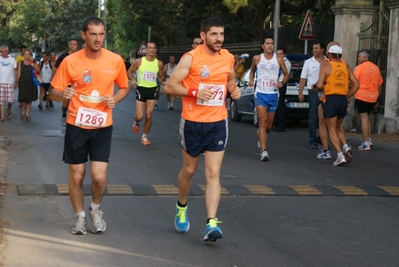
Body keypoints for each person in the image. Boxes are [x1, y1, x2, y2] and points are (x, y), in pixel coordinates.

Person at [49, 17, 129, 235]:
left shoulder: (115, 60)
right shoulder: (70, 61)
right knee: (76, 176)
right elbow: (53, 92)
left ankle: (95, 208)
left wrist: (116, 99)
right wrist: (62, 94)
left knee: (99, 176)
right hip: (76, 125)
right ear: (84, 35)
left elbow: (124, 87)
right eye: (93, 34)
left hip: (103, 126)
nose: (97, 39)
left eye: (101, 34)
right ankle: (80, 217)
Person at [165, 17, 240, 242]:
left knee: (213, 173)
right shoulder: (191, 58)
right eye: (214, 34)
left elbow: (230, 78)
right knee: (189, 171)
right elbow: (169, 86)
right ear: (203, 35)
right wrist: (195, 93)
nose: (219, 39)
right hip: (192, 122)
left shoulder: (227, 57)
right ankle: (181, 206)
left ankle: (211, 223)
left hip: (218, 121)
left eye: (222, 34)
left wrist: (233, 89)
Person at [314, 45, 359, 166]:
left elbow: (319, 85)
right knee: (339, 126)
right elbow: (356, 85)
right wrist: (347, 96)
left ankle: (339, 155)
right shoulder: (345, 66)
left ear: (329, 54)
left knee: (331, 128)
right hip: (342, 100)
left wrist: (320, 86)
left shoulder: (325, 65)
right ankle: (345, 146)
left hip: (331, 98)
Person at [248, 37, 289, 161]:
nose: (270, 46)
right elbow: (252, 71)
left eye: (272, 44)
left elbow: (287, 75)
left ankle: (261, 135)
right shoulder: (257, 58)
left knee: (269, 125)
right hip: (260, 93)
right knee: (263, 121)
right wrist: (251, 80)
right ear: (263, 46)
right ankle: (264, 151)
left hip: (273, 94)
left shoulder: (279, 59)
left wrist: (282, 82)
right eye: (267, 43)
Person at [127, 42, 164, 146]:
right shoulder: (139, 61)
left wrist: (160, 82)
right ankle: (136, 121)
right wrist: (133, 80)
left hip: (152, 89)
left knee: (149, 115)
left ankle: (144, 136)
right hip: (141, 89)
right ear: (146, 50)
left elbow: (160, 75)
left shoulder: (159, 63)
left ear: (156, 50)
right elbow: (129, 71)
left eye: (154, 48)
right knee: (140, 116)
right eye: (150, 48)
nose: (152, 50)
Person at [298, 41, 327, 149]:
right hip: (313, 92)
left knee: (325, 117)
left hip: (326, 92)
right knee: (313, 116)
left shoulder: (328, 62)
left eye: (316, 48)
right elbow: (303, 78)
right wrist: (300, 92)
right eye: (313, 48)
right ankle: (313, 139)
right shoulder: (308, 62)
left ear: (322, 49)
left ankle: (322, 137)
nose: (314, 50)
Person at [354, 49, 383, 151]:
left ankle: (366, 143)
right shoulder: (376, 68)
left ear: (364, 57)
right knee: (367, 118)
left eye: (359, 56)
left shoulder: (359, 68)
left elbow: (354, 82)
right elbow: (380, 85)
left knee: (364, 118)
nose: (358, 58)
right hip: (373, 97)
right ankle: (369, 140)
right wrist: (377, 98)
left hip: (361, 96)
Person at [54, 39, 78, 126]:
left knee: (77, 103)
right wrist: (62, 76)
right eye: (74, 45)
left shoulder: (80, 56)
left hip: (76, 84)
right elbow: (56, 68)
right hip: (66, 84)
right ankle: (64, 115)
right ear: (70, 46)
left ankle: (75, 120)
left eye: (76, 44)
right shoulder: (63, 56)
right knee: (65, 104)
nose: (76, 46)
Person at [17, 49, 40, 121]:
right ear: (23, 55)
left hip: (31, 83)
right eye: (26, 54)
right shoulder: (20, 63)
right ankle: (23, 111)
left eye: (28, 54)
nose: (27, 56)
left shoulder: (33, 62)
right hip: (23, 82)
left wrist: (33, 66)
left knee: (29, 99)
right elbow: (19, 73)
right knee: (23, 99)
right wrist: (17, 82)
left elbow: (38, 70)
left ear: (30, 55)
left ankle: (27, 114)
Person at [273, 47, 291, 132]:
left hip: (281, 84)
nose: (278, 55)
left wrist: (282, 83)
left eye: (280, 54)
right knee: (276, 105)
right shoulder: (275, 62)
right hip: (275, 85)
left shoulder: (286, 62)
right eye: (277, 54)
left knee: (281, 105)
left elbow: (285, 75)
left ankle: (281, 125)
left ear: (284, 55)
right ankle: (276, 124)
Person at [0, 45, 18, 121]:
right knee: (0, 100)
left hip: (9, 83)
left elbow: (15, 71)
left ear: (7, 51)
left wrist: (16, 81)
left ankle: (9, 109)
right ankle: (2, 116)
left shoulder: (12, 60)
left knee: (10, 101)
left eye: (4, 51)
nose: (3, 53)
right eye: (2, 51)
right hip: (0, 83)